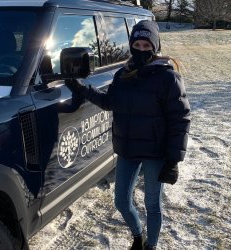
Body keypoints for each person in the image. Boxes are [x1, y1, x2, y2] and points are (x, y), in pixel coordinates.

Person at [64, 20, 191, 250]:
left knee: (152, 204)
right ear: (131, 45)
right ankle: (137, 236)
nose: (141, 49)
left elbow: (180, 120)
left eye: (146, 45)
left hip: (156, 152)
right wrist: (82, 89)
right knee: (121, 201)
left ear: (155, 47)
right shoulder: (123, 75)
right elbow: (109, 102)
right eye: (137, 44)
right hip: (128, 150)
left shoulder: (168, 78)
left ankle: (151, 246)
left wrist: (173, 160)